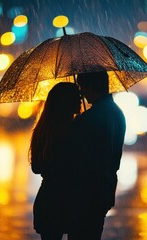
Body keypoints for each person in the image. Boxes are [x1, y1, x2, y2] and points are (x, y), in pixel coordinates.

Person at [68, 71, 126, 240]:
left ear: (92, 87)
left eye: (82, 87)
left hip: (86, 191)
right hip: (104, 187)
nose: (81, 93)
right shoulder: (117, 113)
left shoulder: (90, 118)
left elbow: (80, 157)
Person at [29, 82, 81, 240]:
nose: (81, 100)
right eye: (77, 97)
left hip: (48, 199)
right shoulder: (76, 130)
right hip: (71, 199)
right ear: (67, 101)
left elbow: (36, 168)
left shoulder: (43, 129)